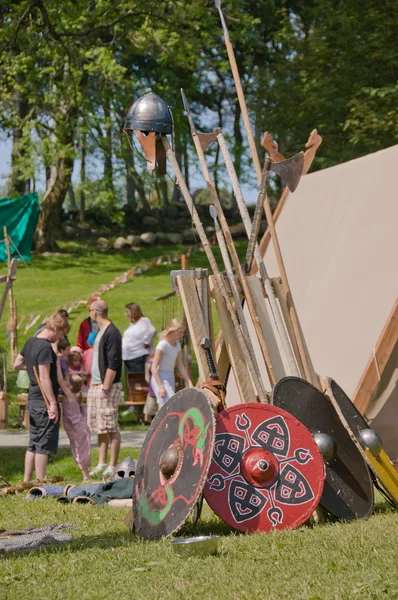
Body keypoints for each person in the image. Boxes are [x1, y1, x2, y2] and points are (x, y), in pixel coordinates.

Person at [14, 312, 68, 481]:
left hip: (33, 398)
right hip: (43, 400)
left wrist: (31, 367)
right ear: (56, 328)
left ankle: (26, 480)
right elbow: (44, 377)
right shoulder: (45, 347)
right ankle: (40, 482)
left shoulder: (31, 341)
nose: (60, 338)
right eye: (62, 333)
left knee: (33, 442)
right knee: (43, 445)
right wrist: (52, 403)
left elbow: (17, 364)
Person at [86, 300, 123, 479]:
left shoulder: (112, 333)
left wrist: (106, 386)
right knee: (101, 427)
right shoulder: (100, 332)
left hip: (106, 386)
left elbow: (114, 361)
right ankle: (101, 462)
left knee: (111, 425)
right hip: (96, 384)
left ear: (95, 312)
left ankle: (112, 464)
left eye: (90, 311)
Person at [151, 318, 193, 408]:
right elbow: (153, 368)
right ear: (172, 331)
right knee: (170, 403)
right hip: (160, 377)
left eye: (183, 332)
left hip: (170, 376)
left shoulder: (177, 344)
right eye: (179, 332)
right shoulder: (163, 345)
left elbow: (180, 366)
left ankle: (161, 422)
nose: (181, 335)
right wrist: (160, 386)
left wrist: (188, 381)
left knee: (163, 406)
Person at [58, 372, 91, 481]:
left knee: (80, 451)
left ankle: (86, 476)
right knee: (77, 450)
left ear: (70, 386)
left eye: (66, 380)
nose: (64, 381)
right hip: (76, 429)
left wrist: (57, 362)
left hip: (78, 429)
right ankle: (85, 474)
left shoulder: (70, 395)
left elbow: (60, 380)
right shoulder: (72, 395)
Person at [122, 302, 157, 373]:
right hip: (129, 357)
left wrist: (146, 342)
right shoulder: (133, 324)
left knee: (137, 381)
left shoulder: (144, 321)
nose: (126, 314)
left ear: (133, 311)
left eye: (127, 312)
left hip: (137, 357)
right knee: (130, 380)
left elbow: (152, 331)